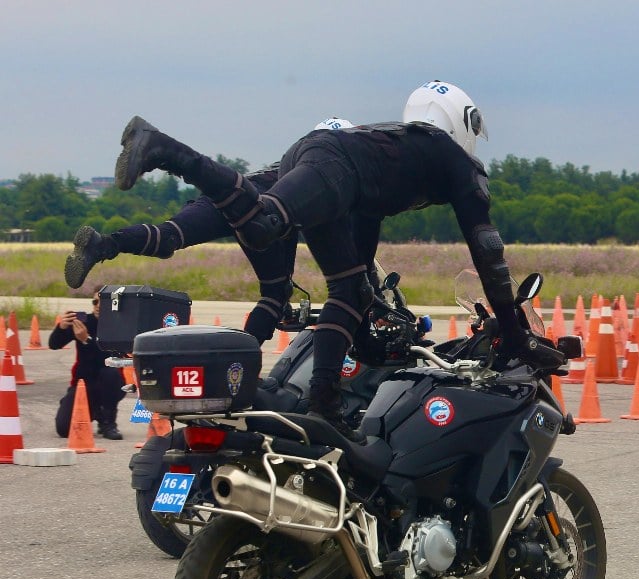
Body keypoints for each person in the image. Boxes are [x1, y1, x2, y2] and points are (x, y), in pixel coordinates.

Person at [109, 81, 529, 438]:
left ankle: (323, 405)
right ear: (463, 121)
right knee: (262, 224)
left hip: (329, 168)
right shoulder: (454, 162)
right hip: (332, 167)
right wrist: (514, 336)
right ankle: (162, 148)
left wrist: (362, 333)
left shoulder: (395, 155)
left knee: (349, 291)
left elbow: (362, 267)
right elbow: (489, 255)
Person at [65, 118, 356, 345]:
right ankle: (242, 361)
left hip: (226, 194)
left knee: (168, 235)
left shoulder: (290, 160)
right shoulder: (322, 177)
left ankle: (104, 244)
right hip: (259, 212)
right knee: (275, 294)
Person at [48, 286, 128, 440]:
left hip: (110, 385)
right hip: (83, 385)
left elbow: (108, 357)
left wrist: (86, 340)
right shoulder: (85, 322)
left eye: (103, 301)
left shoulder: (118, 326)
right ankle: (91, 410)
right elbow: (54, 344)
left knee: (110, 372)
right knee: (64, 430)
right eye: (95, 301)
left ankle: (108, 421)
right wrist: (62, 327)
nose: (98, 305)